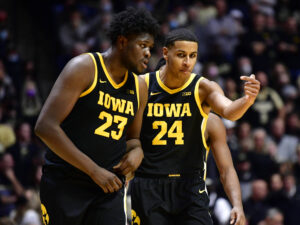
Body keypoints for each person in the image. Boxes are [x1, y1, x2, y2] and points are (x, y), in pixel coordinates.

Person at [34, 7, 159, 225]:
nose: (148, 53)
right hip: (65, 184)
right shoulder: (84, 68)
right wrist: (94, 171)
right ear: (122, 42)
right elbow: (45, 127)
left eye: (150, 47)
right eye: (142, 46)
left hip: (108, 190)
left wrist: (138, 152)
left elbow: (133, 139)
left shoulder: (140, 87)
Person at [130, 28, 259, 225]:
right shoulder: (142, 86)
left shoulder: (203, 88)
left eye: (192, 56)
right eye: (181, 55)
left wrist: (247, 100)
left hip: (190, 186)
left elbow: (229, 111)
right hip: (149, 183)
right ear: (165, 53)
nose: (187, 62)